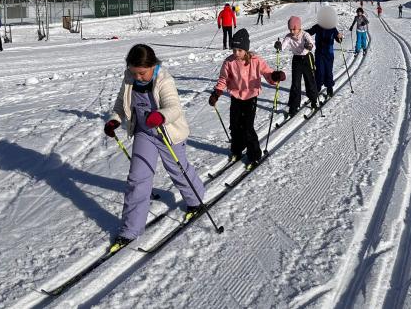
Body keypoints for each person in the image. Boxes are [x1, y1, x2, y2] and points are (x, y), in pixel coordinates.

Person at [104, 44, 205, 252]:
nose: (138, 77)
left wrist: (161, 115)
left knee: (178, 169)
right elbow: (121, 103)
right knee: (137, 178)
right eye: (134, 72)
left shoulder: (164, 80)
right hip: (144, 132)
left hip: (167, 133)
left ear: (152, 65)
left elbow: (174, 108)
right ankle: (131, 229)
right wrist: (115, 120)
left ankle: (195, 200)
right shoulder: (129, 78)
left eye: (142, 73)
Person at [209, 28, 285, 170]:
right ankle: (237, 149)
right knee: (235, 125)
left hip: (250, 97)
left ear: (246, 49)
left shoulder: (256, 60)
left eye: (239, 50)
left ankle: (254, 155)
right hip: (236, 97)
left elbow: (267, 73)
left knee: (247, 127)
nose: (236, 53)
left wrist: (275, 76)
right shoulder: (229, 62)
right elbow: (223, 79)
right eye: (234, 50)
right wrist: (216, 93)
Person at [274, 16, 318, 117]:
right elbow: (283, 46)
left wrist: (309, 46)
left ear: (299, 27)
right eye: (290, 29)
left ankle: (313, 100)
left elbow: (312, 45)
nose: (292, 31)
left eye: (294, 29)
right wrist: (279, 46)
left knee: (309, 80)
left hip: (307, 58)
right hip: (297, 60)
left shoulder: (305, 35)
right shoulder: (289, 36)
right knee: (295, 83)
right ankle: (293, 106)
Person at [305, 7, 343, 98]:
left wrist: (340, 37)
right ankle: (317, 87)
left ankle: (329, 87)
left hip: (329, 54)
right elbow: (309, 32)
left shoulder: (333, 28)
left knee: (328, 71)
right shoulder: (318, 26)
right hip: (319, 53)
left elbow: (338, 39)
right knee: (319, 71)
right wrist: (300, 31)